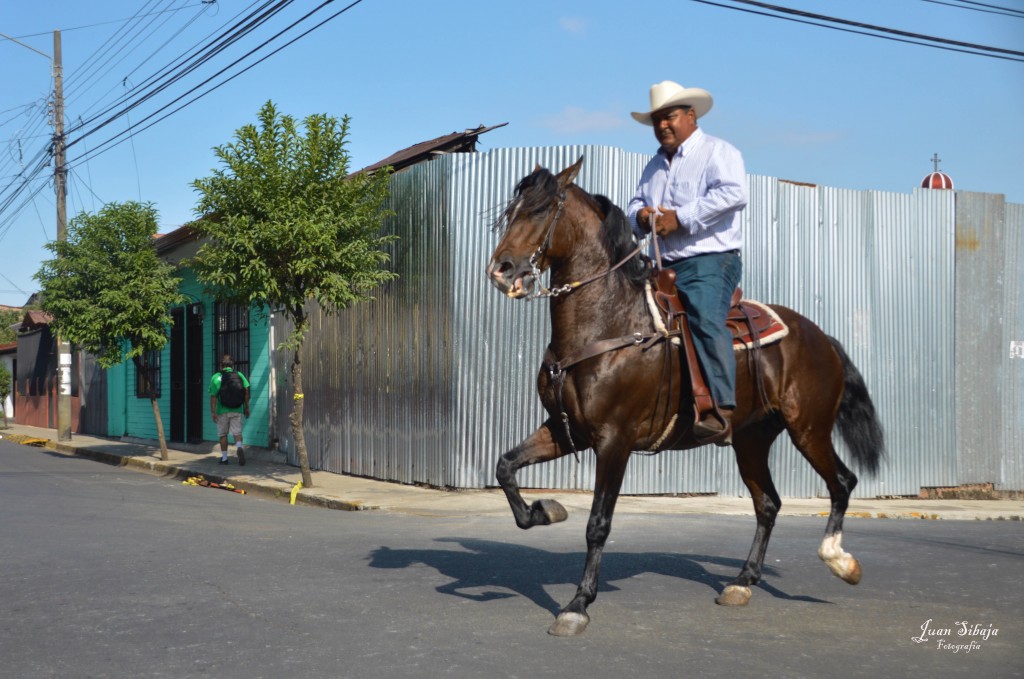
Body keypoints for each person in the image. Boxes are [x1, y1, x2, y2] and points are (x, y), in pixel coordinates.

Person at [627, 80, 748, 443]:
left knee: (704, 319)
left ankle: (721, 410)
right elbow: (634, 205)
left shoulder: (717, 152)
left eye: (669, 117)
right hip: (663, 266)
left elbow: (734, 192)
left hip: (710, 261)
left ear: (690, 116)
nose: (662, 125)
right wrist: (643, 216)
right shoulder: (653, 166)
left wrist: (680, 218)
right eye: (657, 120)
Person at [209, 354, 250, 465]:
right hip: (237, 409)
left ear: (221, 365)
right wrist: (246, 407)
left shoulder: (216, 377)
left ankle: (224, 458)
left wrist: (213, 412)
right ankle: (239, 447)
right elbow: (246, 391)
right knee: (237, 433)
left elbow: (213, 397)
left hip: (222, 410)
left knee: (223, 434)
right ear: (232, 365)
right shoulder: (239, 374)